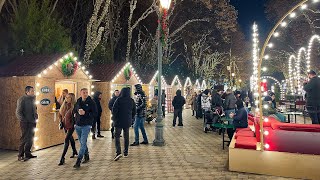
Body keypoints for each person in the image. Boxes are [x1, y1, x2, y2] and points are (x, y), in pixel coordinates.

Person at [73, 88, 97, 168]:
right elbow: (74, 111)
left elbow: (95, 113)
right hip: (78, 125)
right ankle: (86, 155)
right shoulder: (78, 101)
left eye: (86, 92)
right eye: (84, 92)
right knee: (82, 142)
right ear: (80, 93)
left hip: (86, 125)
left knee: (83, 142)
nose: (85, 94)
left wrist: (85, 113)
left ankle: (79, 160)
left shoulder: (91, 102)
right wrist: (75, 119)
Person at [112, 87, 136, 161]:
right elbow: (134, 111)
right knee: (126, 136)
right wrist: (131, 118)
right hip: (127, 121)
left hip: (118, 121)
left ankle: (118, 152)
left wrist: (114, 118)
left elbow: (114, 110)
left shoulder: (118, 100)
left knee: (117, 136)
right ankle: (126, 152)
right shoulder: (131, 101)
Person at [16, 86, 38, 161]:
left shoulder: (33, 99)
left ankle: (27, 153)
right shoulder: (22, 99)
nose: (33, 92)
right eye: (32, 91)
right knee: (24, 138)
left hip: (32, 121)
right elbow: (18, 112)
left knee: (31, 138)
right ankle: (20, 155)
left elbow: (34, 109)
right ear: (27, 92)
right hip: (25, 122)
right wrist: (23, 120)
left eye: (33, 91)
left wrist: (36, 116)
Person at [58, 93, 78, 166]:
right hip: (65, 125)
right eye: (66, 97)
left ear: (72, 98)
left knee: (66, 140)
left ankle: (62, 158)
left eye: (68, 97)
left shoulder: (74, 107)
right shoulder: (64, 106)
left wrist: (74, 124)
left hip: (71, 126)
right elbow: (60, 114)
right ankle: (74, 151)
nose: (66, 99)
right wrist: (60, 121)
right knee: (70, 138)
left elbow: (75, 117)